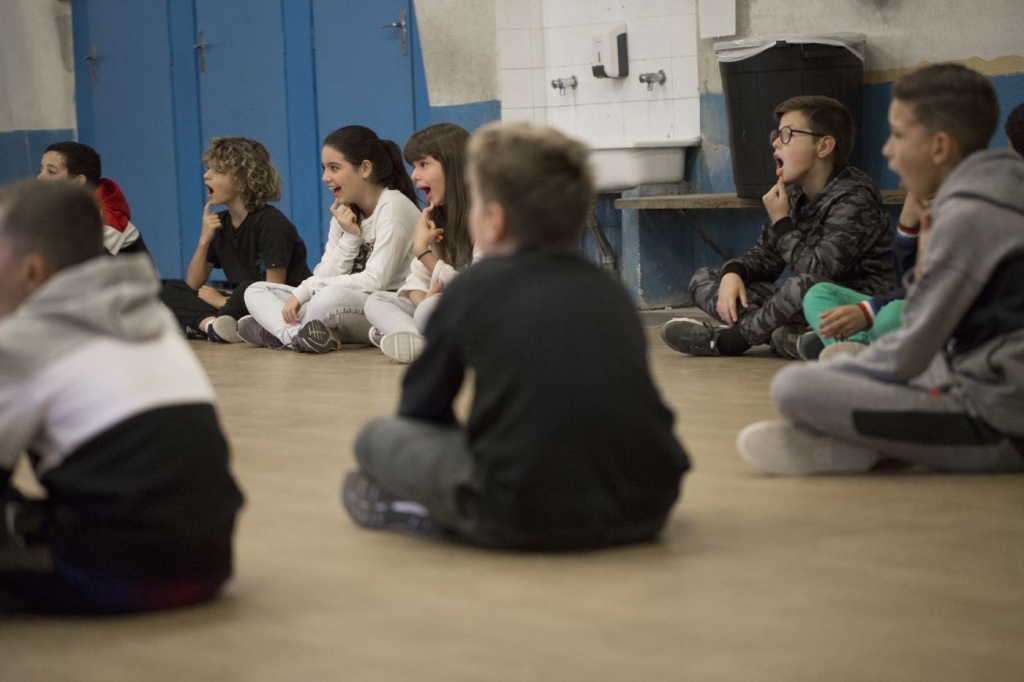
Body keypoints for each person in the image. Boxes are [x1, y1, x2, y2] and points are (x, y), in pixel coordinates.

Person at [342, 122, 691, 549]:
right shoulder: (610, 292)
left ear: (494, 219)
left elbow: (421, 411)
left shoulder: (473, 289)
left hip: (520, 515)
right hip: (646, 508)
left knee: (375, 437)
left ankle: (425, 511)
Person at [738, 63, 1024, 476]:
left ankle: (862, 445)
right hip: (976, 371)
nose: (888, 150)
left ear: (940, 147)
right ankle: (860, 448)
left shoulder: (968, 214)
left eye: (899, 135)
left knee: (793, 388)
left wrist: (850, 378)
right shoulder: (998, 187)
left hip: (1000, 422)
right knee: (839, 364)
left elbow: (909, 352)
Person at [0, 180, 243, 613]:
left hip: (117, 575)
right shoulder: (148, 315)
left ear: (32, 272)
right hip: (209, 563)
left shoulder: (21, 344)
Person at [661, 96, 893, 359]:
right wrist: (734, 273)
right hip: (799, 304)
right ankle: (787, 337)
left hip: (852, 306)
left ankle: (728, 341)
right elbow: (765, 259)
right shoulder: (793, 196)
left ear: (824, 146)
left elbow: (818, 274)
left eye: (788, 134)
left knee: (803, 286)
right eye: (777, 134)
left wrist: (783, 223)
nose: (775, 142)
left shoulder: (855, 197)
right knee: (705, 278)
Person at [239, 125, 420, 354]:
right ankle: (295, 335)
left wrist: (309, 288)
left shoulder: (393, 206)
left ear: (364, 168)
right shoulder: (343, 214)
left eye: (334, 168)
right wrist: (350, 239)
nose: (325, 178)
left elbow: (376, 282)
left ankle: (279, 328)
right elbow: (324, 274)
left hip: (386, 307)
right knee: (256, 290)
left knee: (328, 298)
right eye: (324, 168)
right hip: (345, 306)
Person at [159, 137, 311, 343]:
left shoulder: (271, 222)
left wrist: (222, 301)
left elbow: (271, 289)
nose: (206, 175)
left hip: (281, 303)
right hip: (239, 303)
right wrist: (204, 239)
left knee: (247, 288)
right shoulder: (219, 223)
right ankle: (213, 326)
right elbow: (194, 283)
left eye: (217, 170)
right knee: (171, 288)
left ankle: (203, 325)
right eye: (208, 168)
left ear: (242, 180)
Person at [364, 123, 479, 364]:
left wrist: (422, 252)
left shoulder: (486, 215)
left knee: (430, 310)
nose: (414, 175)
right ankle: (422, 344)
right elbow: (414, 283)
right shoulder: (435, 216)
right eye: (413, 166)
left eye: (423, 164)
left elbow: (477, 289)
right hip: (444, 308)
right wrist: (424, 299)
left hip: (485, 311)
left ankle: (416, 340)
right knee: (377, 301)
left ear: (453, 166)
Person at [796, 192, 926, 360]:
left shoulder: (854, 194)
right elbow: (905, 282)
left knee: (890, 315)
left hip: (929, 311)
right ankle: (857, 346)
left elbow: (932, 288)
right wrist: (907, 227)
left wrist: (869, 311)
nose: (899, 181)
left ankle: (848, 348)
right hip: (896, 299)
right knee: (817, 294)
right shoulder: (794, 199)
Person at [37, 141, 150, 257]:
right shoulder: (62, 213)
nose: (39, 178)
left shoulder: (108, 219)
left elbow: (82, 265)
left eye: (51, 172)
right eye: (40, 171)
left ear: (78, 182)